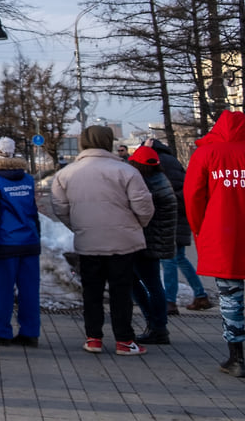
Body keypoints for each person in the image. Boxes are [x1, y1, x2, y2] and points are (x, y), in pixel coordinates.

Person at [50, 124, 154, 356]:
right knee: (121, 291)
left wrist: (79, 226)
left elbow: (60, 208)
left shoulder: (66, 173)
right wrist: (137, 224)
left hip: (88, 242)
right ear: (109, 141)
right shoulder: (126, 171)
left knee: (91, 292)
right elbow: (144, 206)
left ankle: (93, 338)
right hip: (123, 242)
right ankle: (125, 340)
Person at [184, 109, 245, 377]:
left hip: (223, 237)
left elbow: (193, 197)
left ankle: (237, 358)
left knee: (231, 299)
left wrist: (201, 229)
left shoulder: (206, 154)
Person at [0, 136, 41, 347]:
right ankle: (30, 332)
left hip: (6, 243)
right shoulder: (28, 180)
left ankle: (1, 331)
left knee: (3, 289)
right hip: (30, 242)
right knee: (29, 290)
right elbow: (33, 212)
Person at [148, 137, 214, 313]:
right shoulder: (170, 160)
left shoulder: (160, 161)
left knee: (169, 259)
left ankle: (170, 302)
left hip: (170, 218)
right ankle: (200, 295)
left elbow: (173, 191)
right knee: (179, 259)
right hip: (179, 217)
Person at [128, 144, 176, 344]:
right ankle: (156, 325)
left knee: (149, 285)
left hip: (146, 242)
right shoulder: (159, 179)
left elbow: (137, 209)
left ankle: (157, 326)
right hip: (156, 241)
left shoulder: (146, 184)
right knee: (141, 282)